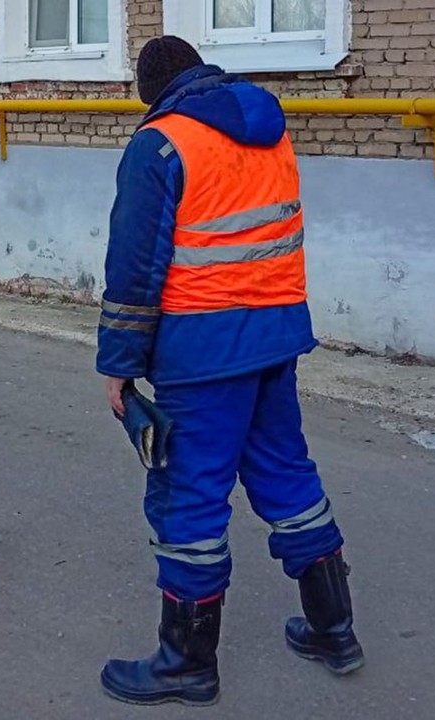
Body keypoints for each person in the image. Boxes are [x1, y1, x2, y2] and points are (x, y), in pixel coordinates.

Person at [96, 36, 364, 706]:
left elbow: (133, 269)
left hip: (203, 352)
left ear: (150, 89)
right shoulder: (269, 128)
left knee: (189, 495)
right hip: (274, 339)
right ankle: (335, 629)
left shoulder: (160, 144)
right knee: (286, 474)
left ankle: (186, 661)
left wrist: (118, 366)